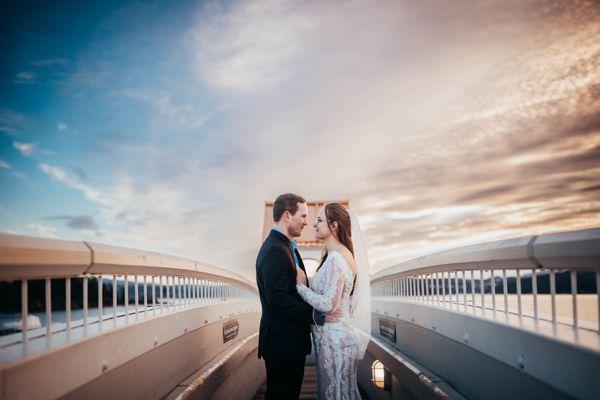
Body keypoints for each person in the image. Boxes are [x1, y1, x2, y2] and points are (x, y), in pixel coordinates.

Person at [295, 202, 371, 400]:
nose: (314, 224)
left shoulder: (337, 259)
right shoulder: (338, 256)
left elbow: (329, 304)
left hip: (335, 340)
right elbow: (333, 291)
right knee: (340, 393)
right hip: (334, 337)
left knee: (335, 395)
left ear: (334, 225)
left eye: (319, 220)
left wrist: (300, 288)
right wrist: (310, 282)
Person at [256, 193, 319, 399]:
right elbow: (278, 299)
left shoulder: (284, 246)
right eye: (303, 216)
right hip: (282, 343)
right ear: (287, 216)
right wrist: (314, 315)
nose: (306, 222)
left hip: (287, 341)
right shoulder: (275, 250)